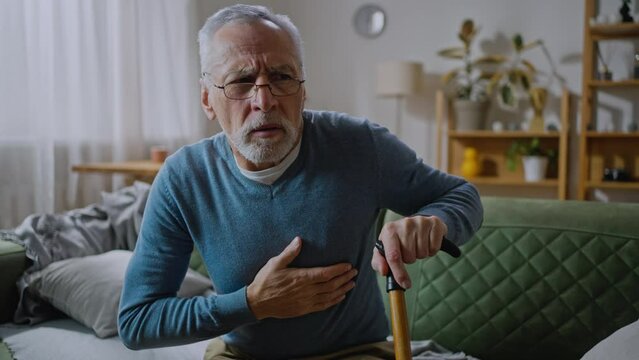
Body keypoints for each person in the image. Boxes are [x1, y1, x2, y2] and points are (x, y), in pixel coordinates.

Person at [118, 4, 483, 359]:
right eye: (241, 82)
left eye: (281, 77)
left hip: (357, 352)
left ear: (303, 89)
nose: (265, 100)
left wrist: (435, 223)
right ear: (207, 100)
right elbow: (137, 322)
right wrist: (252, 304)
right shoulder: (183, 178)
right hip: (242, 354)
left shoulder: (360, 144)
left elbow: (461, 195)